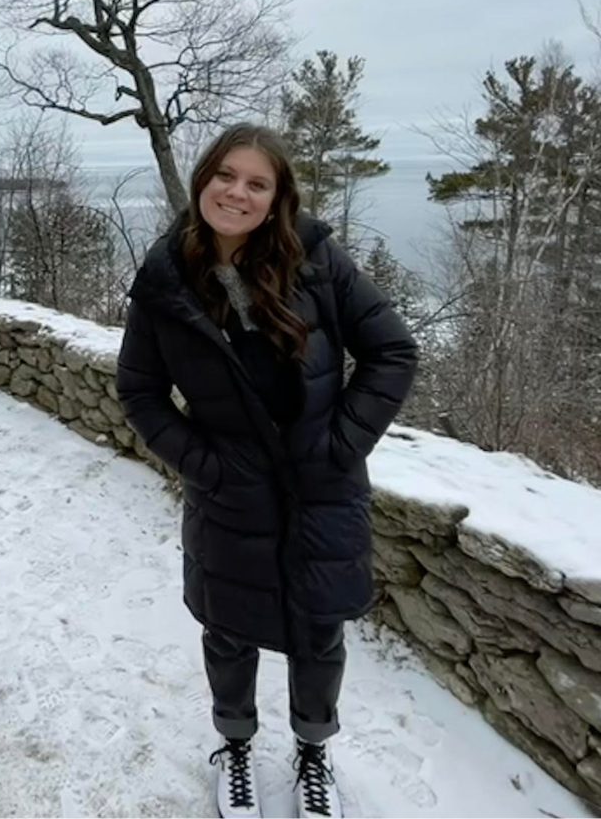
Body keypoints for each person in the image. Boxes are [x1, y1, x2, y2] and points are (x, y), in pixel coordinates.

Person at [116, 124, 418, 819]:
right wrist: (206, 467)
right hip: (230, 495)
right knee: (228, 629)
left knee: (319, 631)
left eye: (257, 183)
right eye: (226, 175)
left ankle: (314, 755)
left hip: (322, 489)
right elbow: (138, 391)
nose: (238, 192)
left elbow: (392, 352)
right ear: (202, 181)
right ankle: (236, 748)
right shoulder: (165, 281)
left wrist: (340, 447)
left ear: (277, 197)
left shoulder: (316, 261)